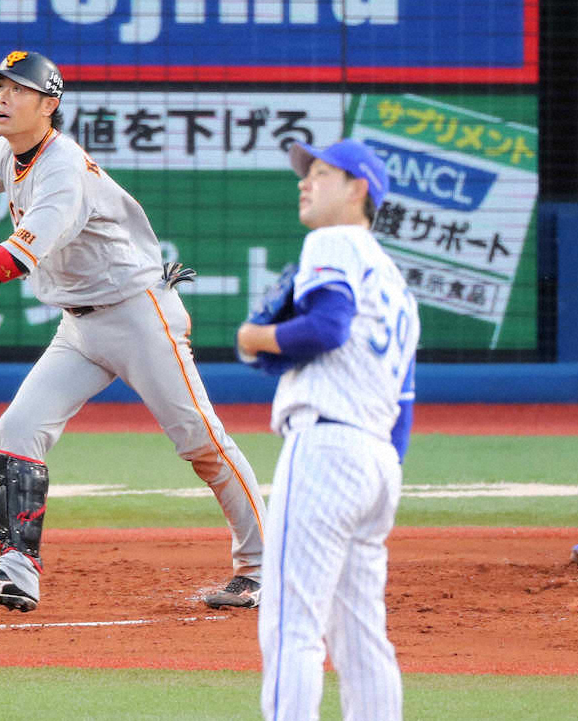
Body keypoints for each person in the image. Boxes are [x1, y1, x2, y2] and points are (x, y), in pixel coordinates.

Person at [0, 49, 267, 613]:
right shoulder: (10, 152)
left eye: (16, 90)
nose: (1, 98)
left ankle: (263, 568)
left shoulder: (62, 168)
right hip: (79, 326)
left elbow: (15, 259)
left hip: (138, 315)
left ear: (49, 105)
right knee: (20, 425)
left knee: (202, 444)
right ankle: (17, 571)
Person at [236, 139, 420, 720]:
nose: (304, 181)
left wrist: (254, 338)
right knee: (363, 636)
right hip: (378, 463)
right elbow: (404, 403)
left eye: (320, 172)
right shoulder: (397, 285)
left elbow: (326, 328)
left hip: (326, 450)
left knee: (292, 625)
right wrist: (378, 475)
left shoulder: (334, 240)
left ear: (358, 188)